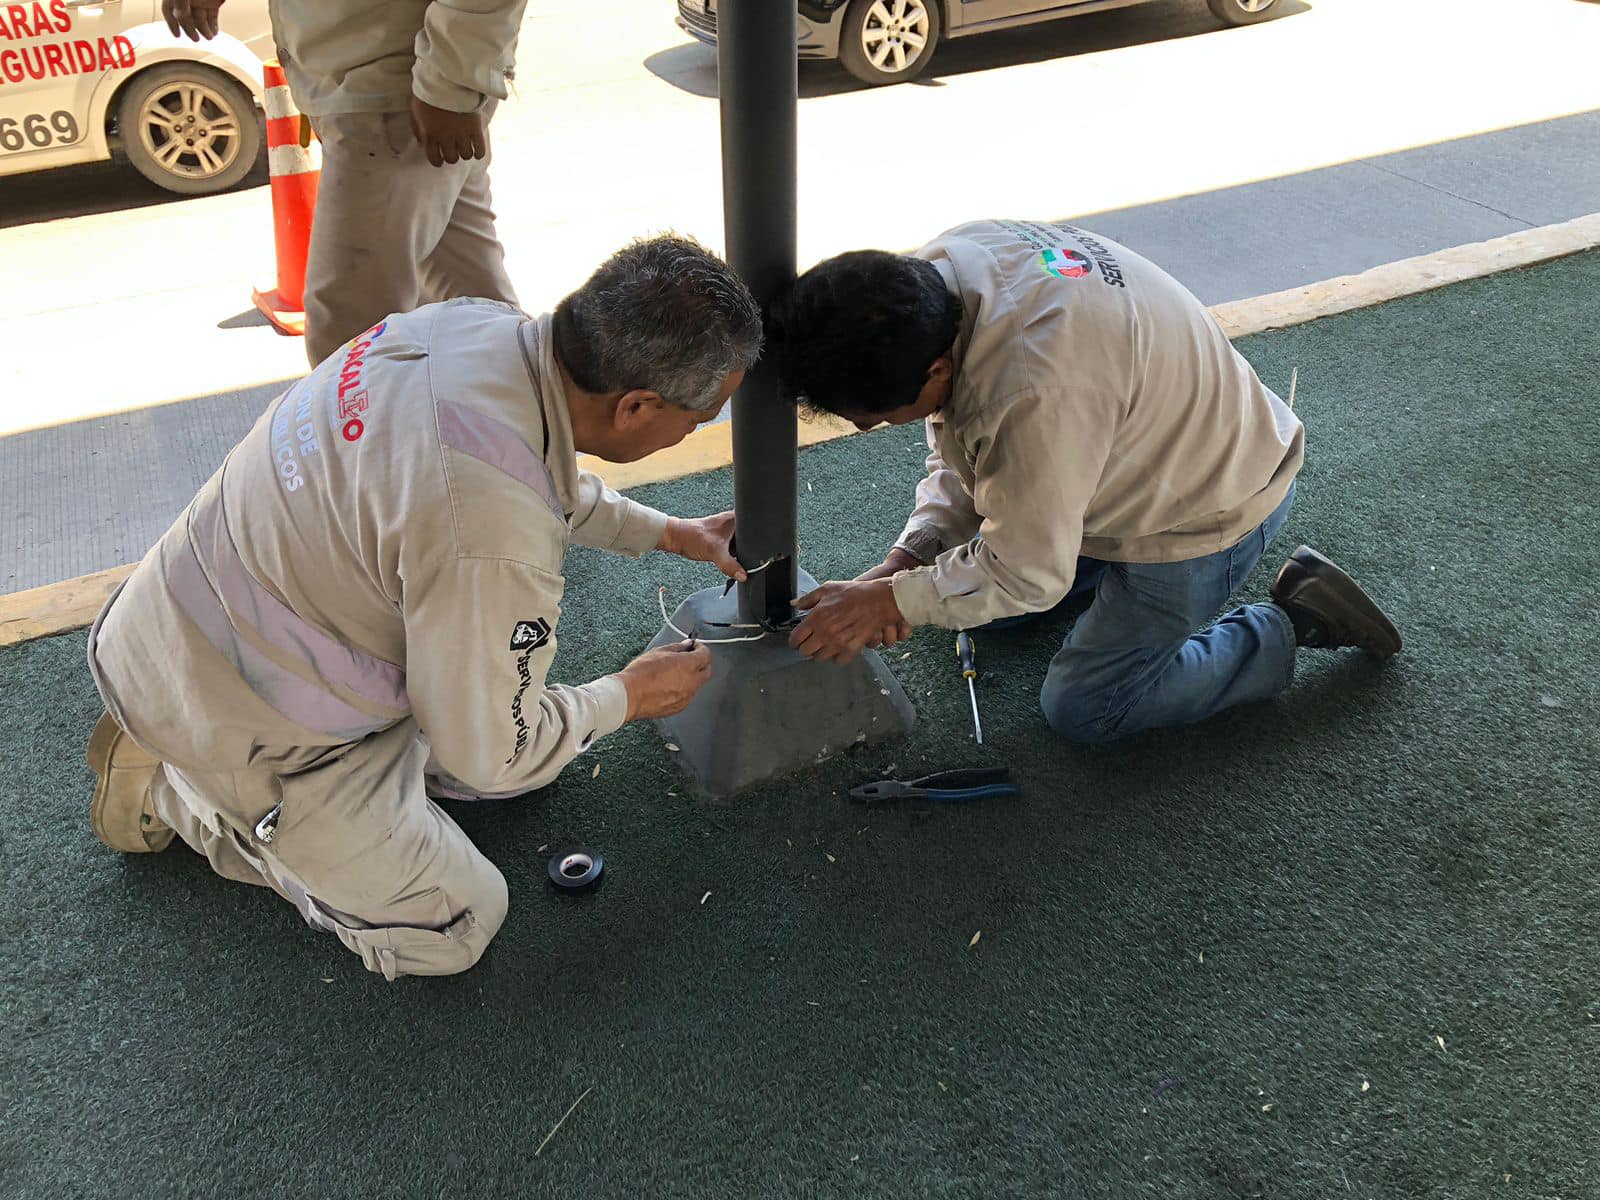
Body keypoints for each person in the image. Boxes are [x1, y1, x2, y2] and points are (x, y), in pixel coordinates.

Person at [86, 235, 762, 979]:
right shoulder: (492, 530)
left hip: (184, 618)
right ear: (637, 406)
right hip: (235, 714)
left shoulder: (472, 328)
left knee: (523, 742)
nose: (696, 433)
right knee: (458, 923)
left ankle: (342, 778)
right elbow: (494, 756)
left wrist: (673, 533)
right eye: (697, 421)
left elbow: (525, 471)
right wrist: (628, 696)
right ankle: (177, 790)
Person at [765, 219, 1401, 744]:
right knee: (970, 608)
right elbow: (973, 454)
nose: (869, 428)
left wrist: (893, 601)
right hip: (1130, 457)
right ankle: (1095, 584)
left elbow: (1026, 575)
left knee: (1088, 708)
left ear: (935, 369)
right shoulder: (946, 273)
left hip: (1207, 509)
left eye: (875, 417)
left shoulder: (1035, 389)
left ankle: (1292, 621)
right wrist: (909, 562)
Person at [165, 0, 526, 365]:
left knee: (348, 346)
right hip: (381, 86)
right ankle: (542, 412)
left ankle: (539, 410)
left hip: (397, 92)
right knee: (474, 310)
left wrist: (451, 85)